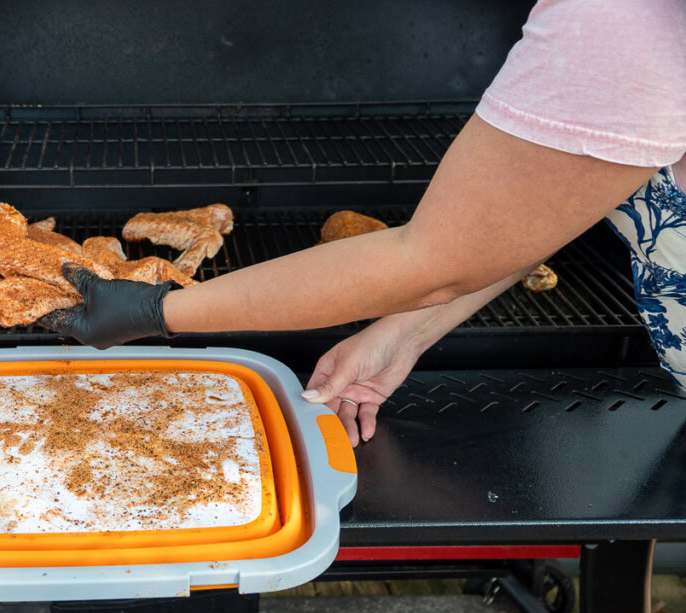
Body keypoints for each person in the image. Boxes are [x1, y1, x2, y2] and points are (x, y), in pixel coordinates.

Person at [46, 0, 686, 447]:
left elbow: (432, 263)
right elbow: (535, 211)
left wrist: (154, 311)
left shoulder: (619, 20)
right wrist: (401, 337)